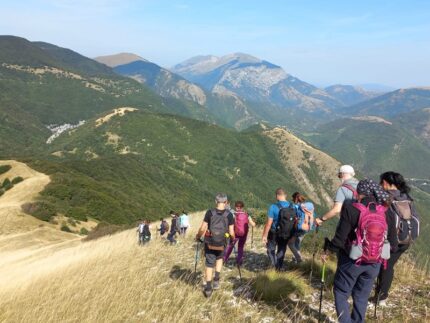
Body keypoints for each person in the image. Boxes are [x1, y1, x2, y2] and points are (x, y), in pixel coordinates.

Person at [322, 179, 397, 323]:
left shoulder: (351, 209)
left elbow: (339, 239)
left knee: (341, 292)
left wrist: (327, 251)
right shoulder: (387, 212)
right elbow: (393, 244)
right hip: (375, 263)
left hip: (351, 261)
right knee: (361, 296)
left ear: (358, 193)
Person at [370, 171, 420, 306]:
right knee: (389, 266)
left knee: (384, 266)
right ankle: (381, 296)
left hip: (391, 239)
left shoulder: (386, 197)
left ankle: (380, 297)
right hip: (406, 238)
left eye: (381, 182)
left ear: (386, 183)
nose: (380, 185)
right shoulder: (406, 196)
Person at [196, 193, 235, 298]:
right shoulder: (229, 214)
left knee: (209, 263)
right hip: (222, 242)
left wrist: (198, 236)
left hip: (210, 242)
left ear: (215, 201)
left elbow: (203, 227)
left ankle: (208, 288)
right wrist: (232, 240)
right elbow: (231, 231)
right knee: (219, 258)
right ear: (226, 202)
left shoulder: (209, 213)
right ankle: (216, 279)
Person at [262, 188, 293, 270]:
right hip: (287, 233)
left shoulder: (273, 207)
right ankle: (279, 268)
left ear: (277, 196)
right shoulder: (292, 206)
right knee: (282, 249)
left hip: (274, 232)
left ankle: (274, 265)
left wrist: (264, 235)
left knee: (270, 249)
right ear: (285, 195)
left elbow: (269, 223)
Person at [223, 201, 256, 265]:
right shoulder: (247, 214)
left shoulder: (233, 214)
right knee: (240, 247)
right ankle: (239, 261)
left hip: (235, 233)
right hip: (244, 234)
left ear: (235, 207)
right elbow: (253, 224)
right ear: (242, 207)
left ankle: (224, 259)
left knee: (230, 246)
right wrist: (254, 222)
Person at [290, 192, 316, 263]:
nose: (292, 200)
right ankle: (295, 259)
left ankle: (299, 259)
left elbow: (293, 217)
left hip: (300, 227)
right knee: (297, 243)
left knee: (290, 243)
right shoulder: (310, 205)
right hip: (308, 228)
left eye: (293, 198)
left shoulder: (297, 206)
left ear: (296, 198)